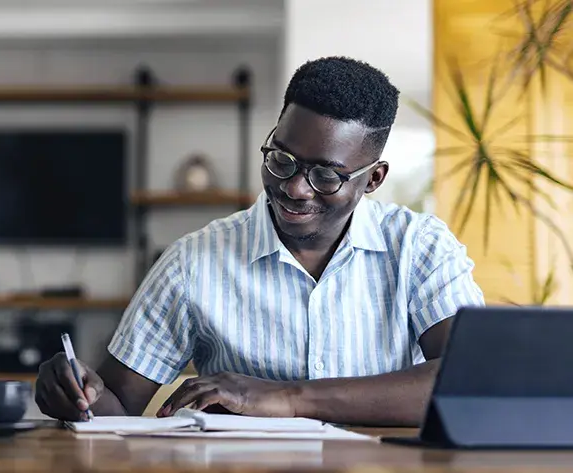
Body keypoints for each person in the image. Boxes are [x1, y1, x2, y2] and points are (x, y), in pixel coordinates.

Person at [35, 56, 485, 427]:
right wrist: (78, 393)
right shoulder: (193, 262)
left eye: (326, 175)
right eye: (282, 160)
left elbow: (470, 380)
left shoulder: (420, 247)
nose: (296, 188)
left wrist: (287, 397)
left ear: (374, 179)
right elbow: (116, 407)